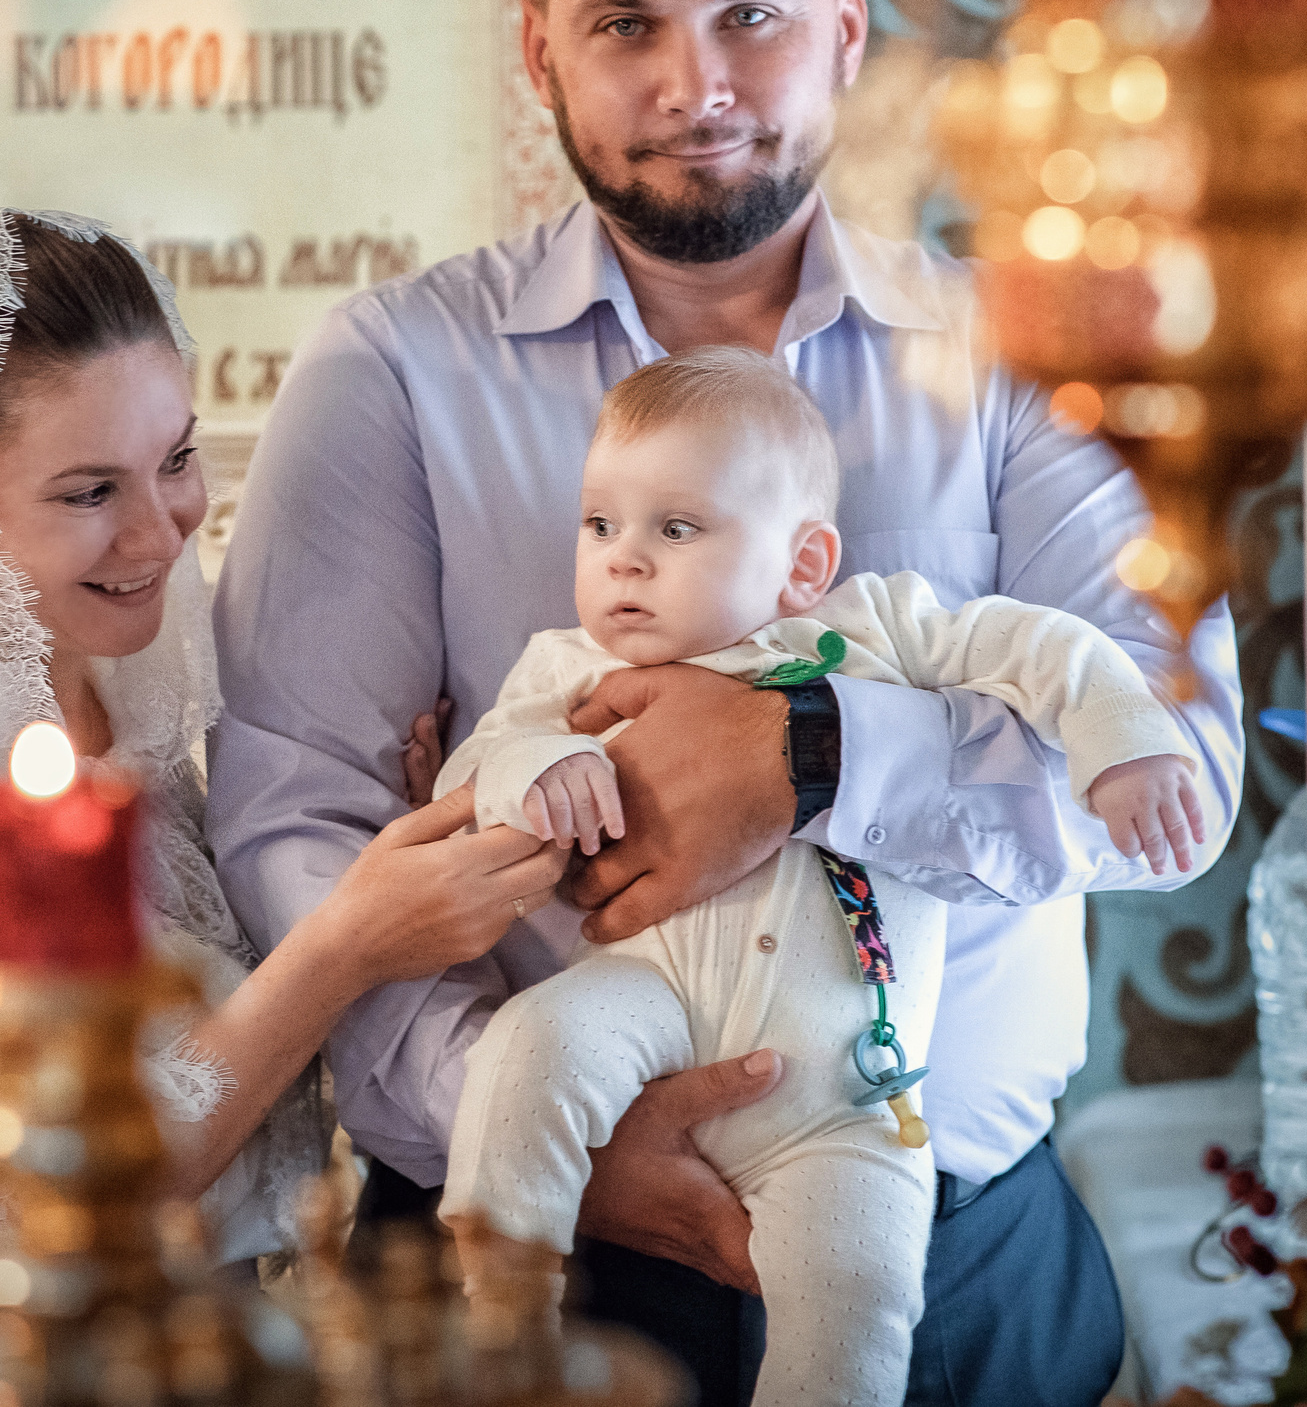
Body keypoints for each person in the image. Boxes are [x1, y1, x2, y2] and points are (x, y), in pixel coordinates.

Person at [209, 0, 1244, 1407]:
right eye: (627, 22)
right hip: (509, 1249)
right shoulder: (391, 377)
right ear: (540, 53)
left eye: (750, 16)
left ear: (840, 27)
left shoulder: (1028, 358)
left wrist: (816, 758)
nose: (696, 85)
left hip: (949, 1244)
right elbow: (296, 822)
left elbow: (1172, 761)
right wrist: (526, 1118)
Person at [0, 209, 562, 1339]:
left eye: (175, 460)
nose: (160, 533)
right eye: (89, 493)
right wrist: (343, 946)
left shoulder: (131, 720)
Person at [432, 347, 1203, 1404]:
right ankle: (504, 1322)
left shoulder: (866, 631)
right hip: (640, 1009)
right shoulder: (568, 669)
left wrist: (1124, 742)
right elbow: (473, 774)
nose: (623, 561)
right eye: (600, 525)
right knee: (525, 1047)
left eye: (676, 527)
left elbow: (1041, 646)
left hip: (843, 1086)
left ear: (801, 564)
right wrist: (537, 768)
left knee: (857, 1294)